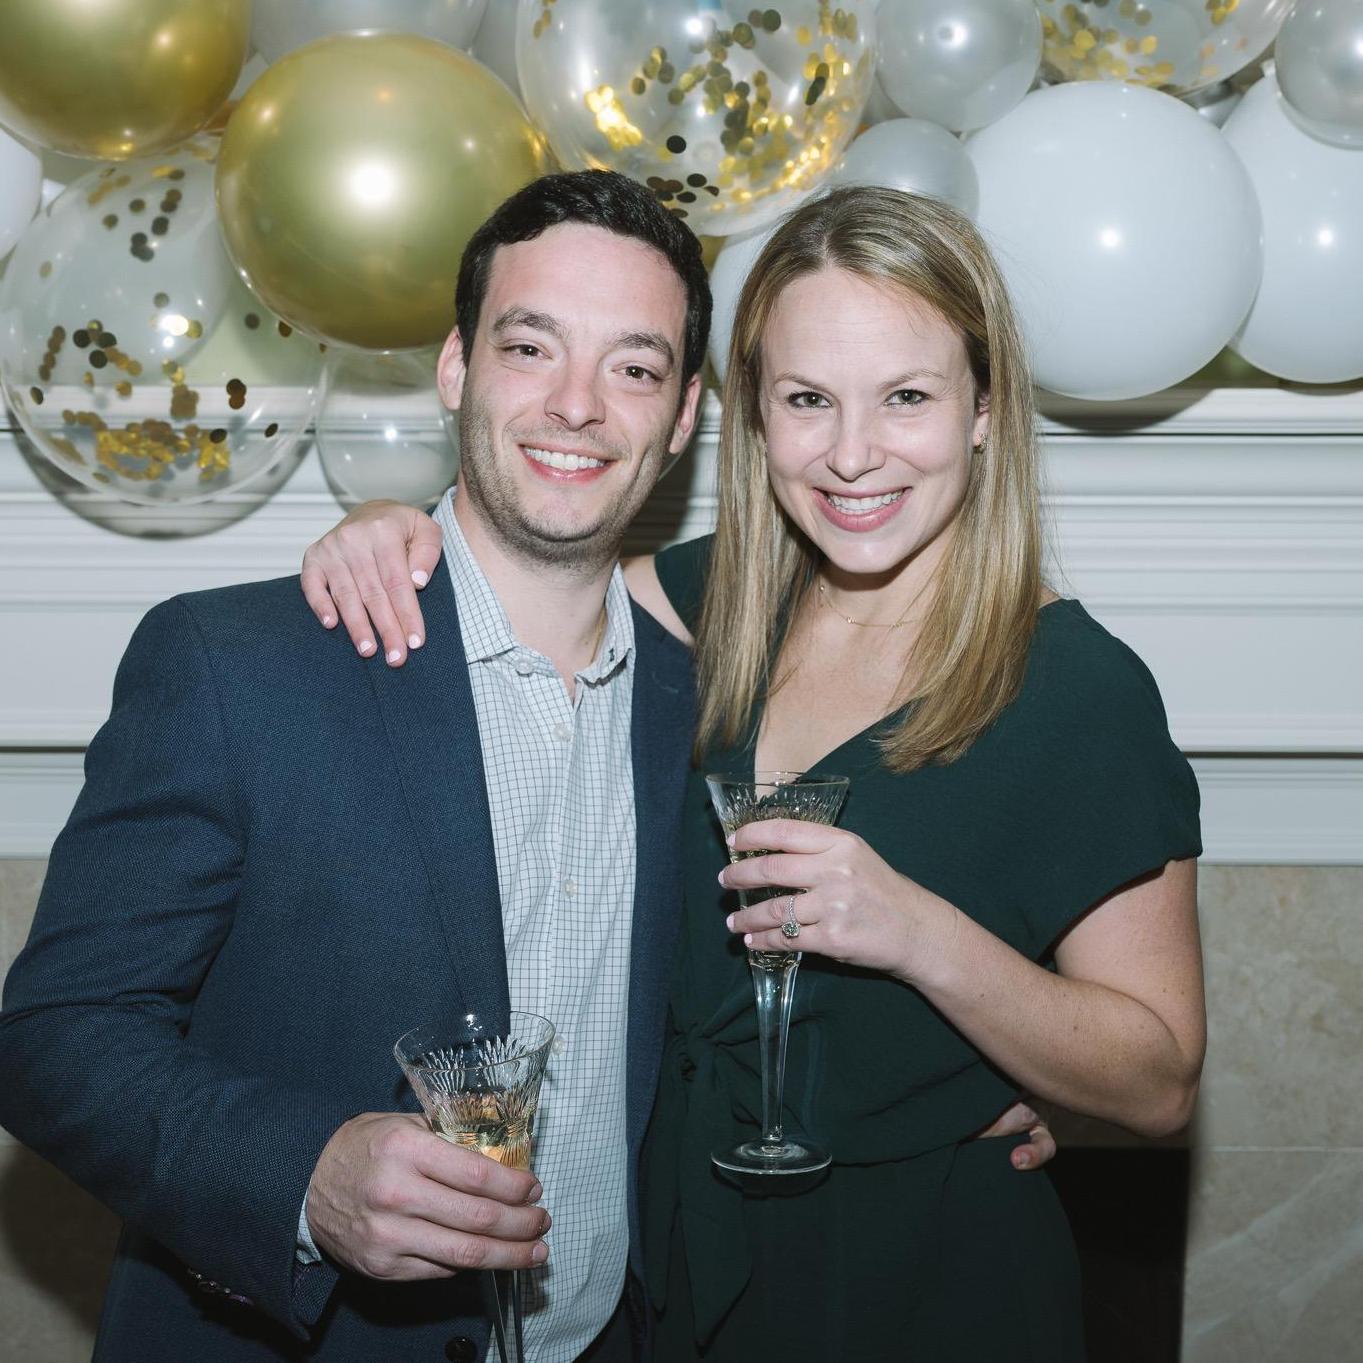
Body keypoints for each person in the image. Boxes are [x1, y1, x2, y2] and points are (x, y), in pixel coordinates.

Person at [299, 185, 1204, 1362]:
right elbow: (512, 574)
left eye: (908, 398)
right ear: (752, 419)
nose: (852, 454)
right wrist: (386, 525)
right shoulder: (695, 601)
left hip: (920, 1283)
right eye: (808, 401)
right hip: (665, 1266)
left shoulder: (1078, 690)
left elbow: (1158, 1079)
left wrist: (920, 934)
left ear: (984, 410)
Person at [0, 169, 712, 1363]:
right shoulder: (237, 665)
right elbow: (55, 1033)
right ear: (455, 369)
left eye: (634, 367)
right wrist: (302, 1174)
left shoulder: (703, 708)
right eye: (531, 347)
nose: (578, 405)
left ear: (683, 417)